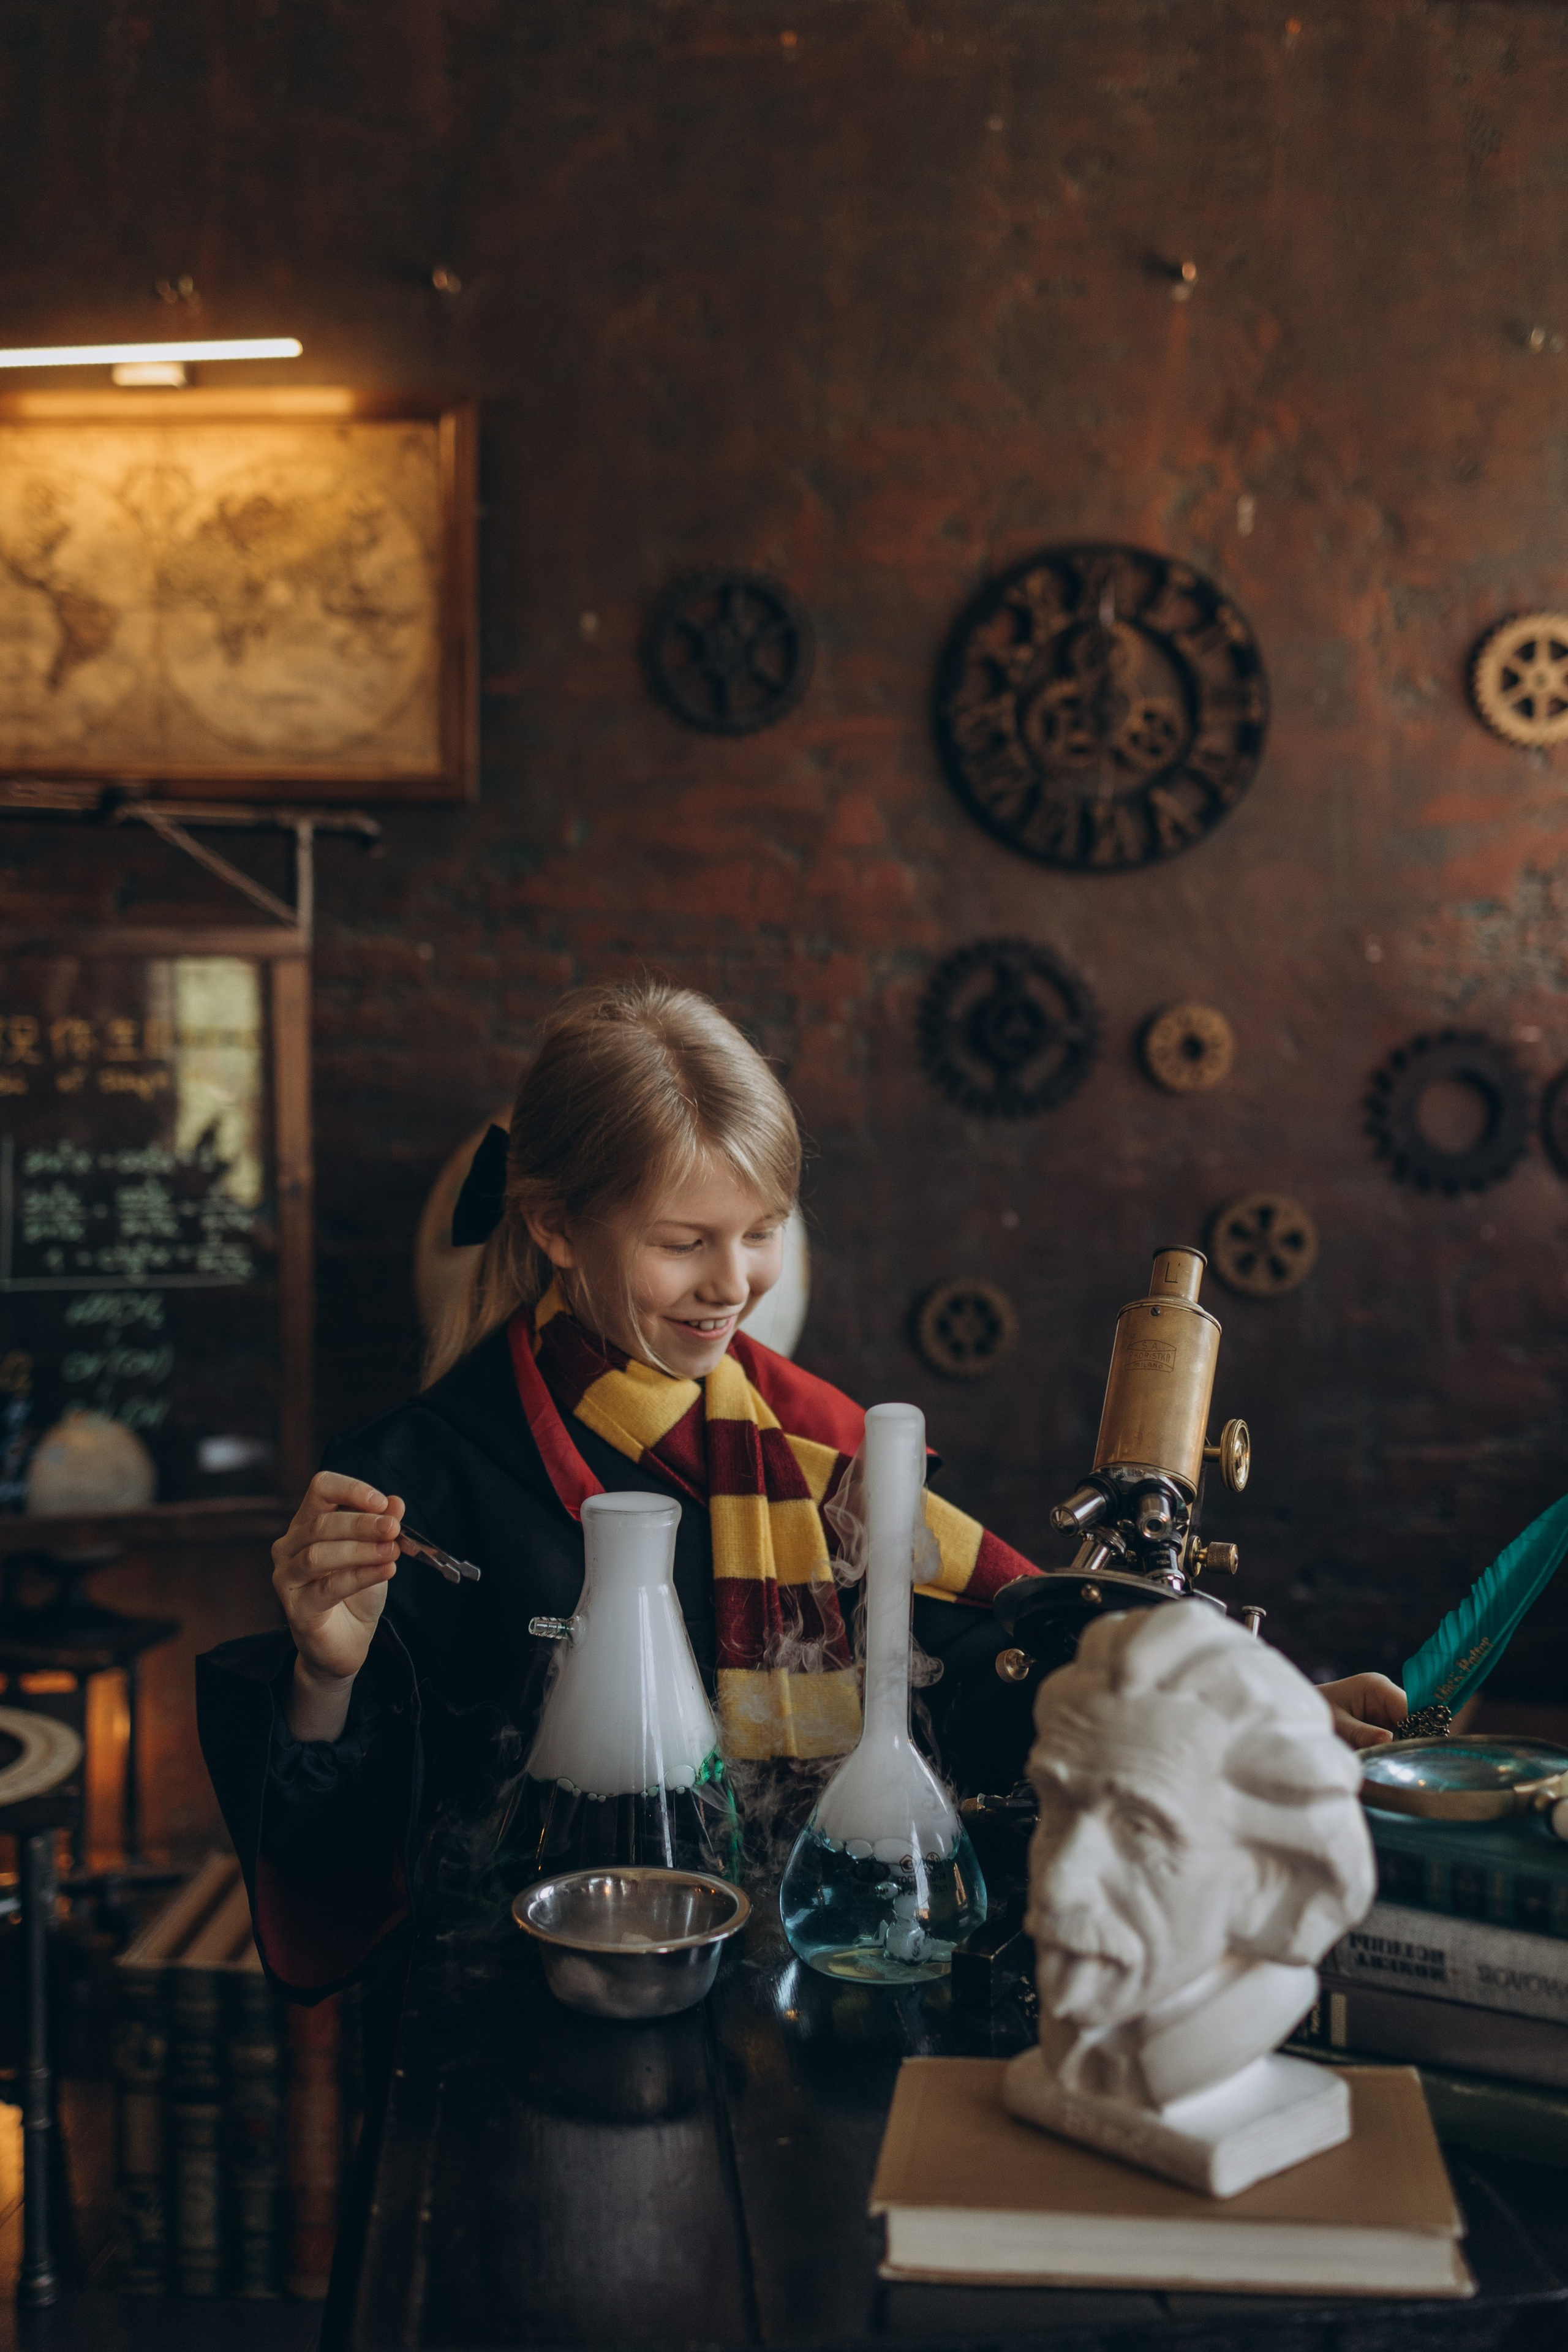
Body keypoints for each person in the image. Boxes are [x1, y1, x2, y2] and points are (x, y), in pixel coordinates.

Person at [197, 979, 1405, 2006]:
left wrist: (1250, 1712)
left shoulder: (809, 1452)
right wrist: (323, 1674)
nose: (734, 1286)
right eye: (685, 1241)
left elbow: (995, 1679)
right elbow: (338, 1865)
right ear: (558, 1228)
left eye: (761, 1232)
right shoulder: (414, 1480)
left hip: (803, 2008)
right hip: (516, 2032)